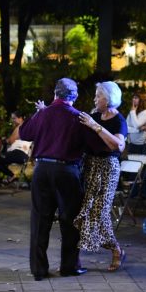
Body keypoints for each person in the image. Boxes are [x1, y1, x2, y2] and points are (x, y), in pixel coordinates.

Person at [19, 78, 95, 280]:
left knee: (40, 220)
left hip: (42, 170)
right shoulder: (78, 118)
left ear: (55, 93)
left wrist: (38, 113)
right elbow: (91, 145)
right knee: (70, 221)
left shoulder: (43, 114)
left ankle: (39, 269)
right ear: (75, 96)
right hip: (67, 171)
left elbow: (24, 132)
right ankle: (69, 266)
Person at [74, 81, 128, 272]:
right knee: (86, 212)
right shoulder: (94, 116)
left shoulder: (118, 120)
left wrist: (96, 126)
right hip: (90, 166)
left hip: (107, 168)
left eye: (98, 96)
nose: (95, 99)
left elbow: (118, 146)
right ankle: (114, 249)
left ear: (109, 98)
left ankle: (116, 249)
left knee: (100, 212)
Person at [0, 111, 31, 185]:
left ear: (20, 118)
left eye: (14, 118)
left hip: (19, 153)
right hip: (22, 154)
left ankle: (11, 176)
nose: (13, 120)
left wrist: (4, 140)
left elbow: (10, 141)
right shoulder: (26, 126)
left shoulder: (20, 127)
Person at [126, 93, 146, 198]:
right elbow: (127, 127)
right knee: (132, 169)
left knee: (143, 169)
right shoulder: (132, 113)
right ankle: (133, 192)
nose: (134, 99)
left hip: (143, 144)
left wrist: (132, 112)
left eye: (136, 98)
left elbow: (136, 123)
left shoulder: (145, 112)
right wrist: (137, 130)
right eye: (133, 97)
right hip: (132, 143)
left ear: (142, 100)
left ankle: (144, 194)